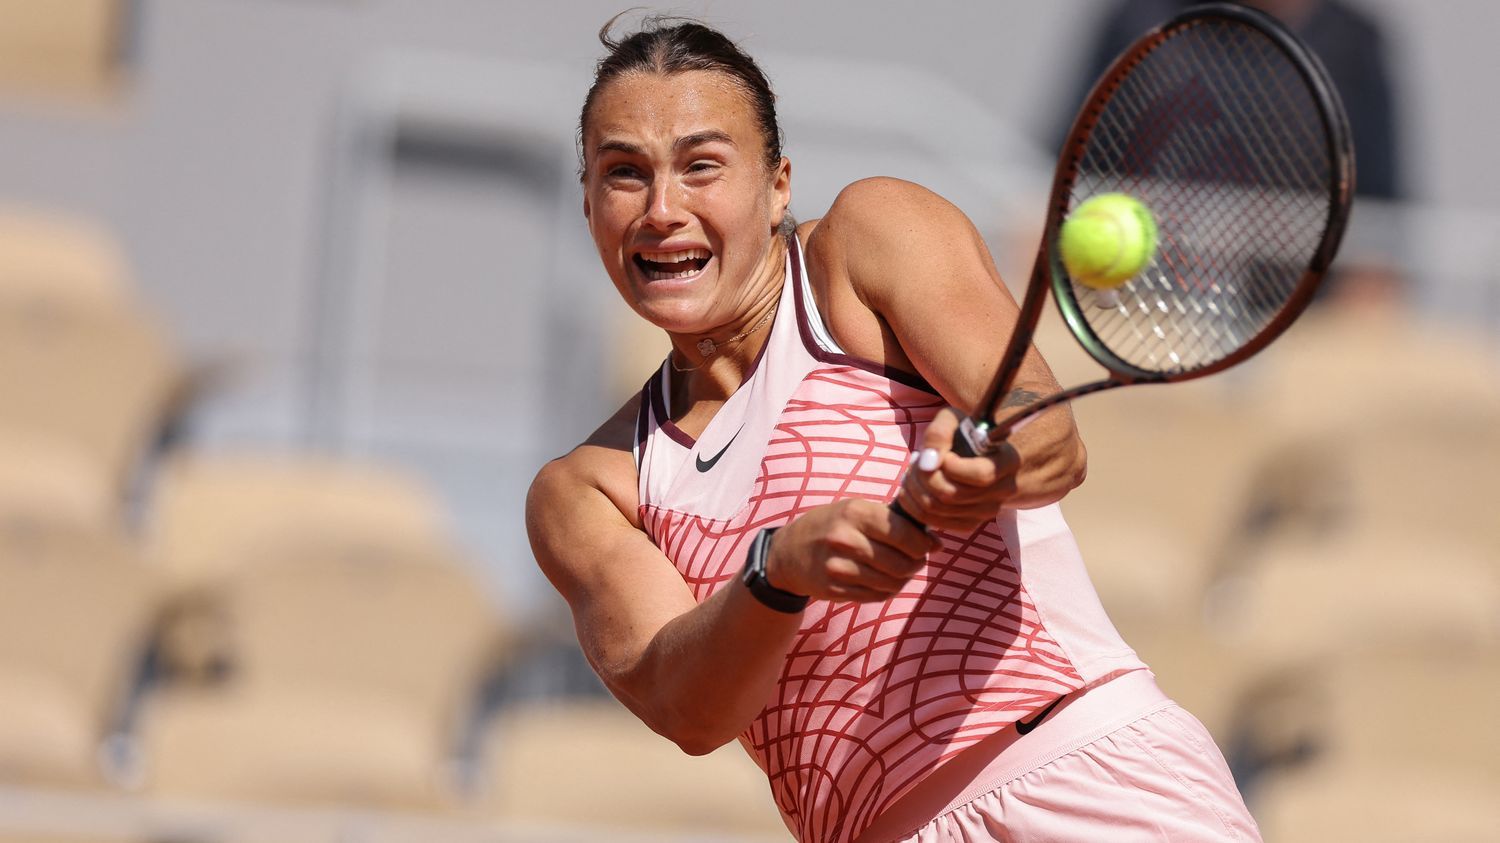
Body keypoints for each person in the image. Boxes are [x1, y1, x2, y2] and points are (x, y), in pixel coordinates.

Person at [526, 16, 1260, 843]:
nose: (663, 209)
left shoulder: (869, 239)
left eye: (702, 166)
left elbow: (1044, 428)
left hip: (1088, 785)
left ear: (777, 186)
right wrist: (780, 570)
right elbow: (685, 706)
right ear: (588, 203)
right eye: (624, 174)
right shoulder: (587, 488)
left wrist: (992, 463)